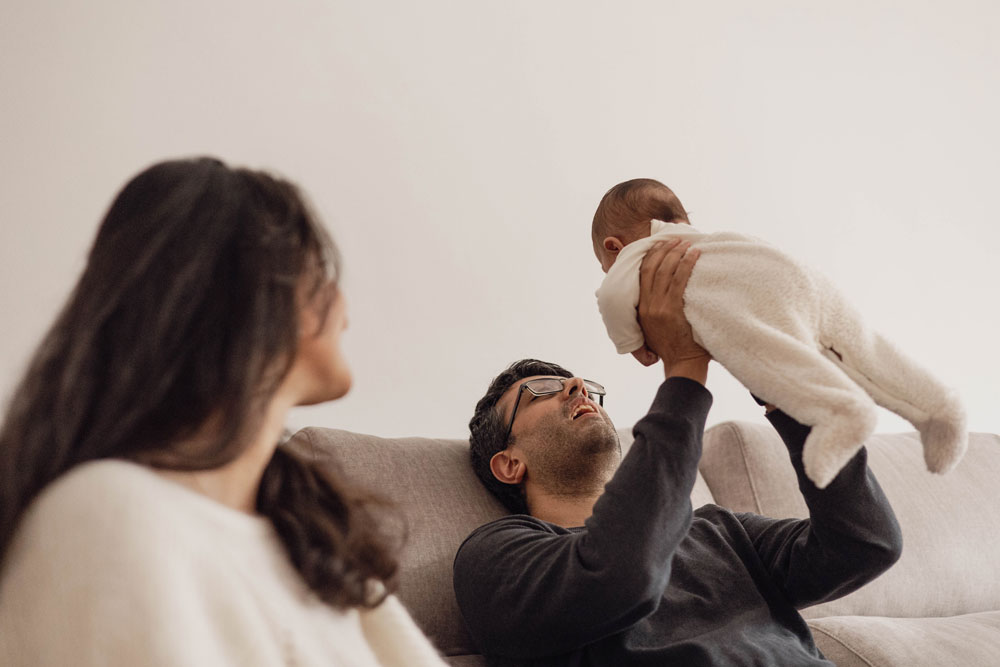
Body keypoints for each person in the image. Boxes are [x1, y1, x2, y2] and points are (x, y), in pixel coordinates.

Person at [0, 158, 446, 666]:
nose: (344, 305)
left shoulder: (309, 534)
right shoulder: (107, 513)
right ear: (255, 296)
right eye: (320, 272)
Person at [454, 240, 904, 666]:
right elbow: (624, 575)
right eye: (543, 391)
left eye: (586, 386)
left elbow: (866, 544)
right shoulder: (496, 556)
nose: (577, 386)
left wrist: (786, 396)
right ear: (509, 464)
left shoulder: (716, 530)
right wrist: (685, 372)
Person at [592, 178, 966, 488]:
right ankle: (938, 407)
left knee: (775, 364)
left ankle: (840, 409)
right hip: (797, 276)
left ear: (613, 246)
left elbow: (611, 298)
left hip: (756, 300)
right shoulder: (708, 240)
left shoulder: (636, 255)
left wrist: (633, 345)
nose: (612, 272)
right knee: (868, 352)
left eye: (605, 264)